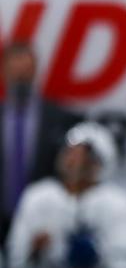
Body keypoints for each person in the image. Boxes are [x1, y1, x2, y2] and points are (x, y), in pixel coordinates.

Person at [6, 121, 126, 268]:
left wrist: (97, 261)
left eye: (82, 154)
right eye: (69, 151)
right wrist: (33, 253)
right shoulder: (38, 196)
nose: (72, 159)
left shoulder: (117, 202)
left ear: (101, 162)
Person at [1, 41, 83, 243]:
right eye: (15, 71)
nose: (21, 78)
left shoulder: (60, 119)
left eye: (26, 71)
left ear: (36, 70)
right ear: (4, 71)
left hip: (43, 224)